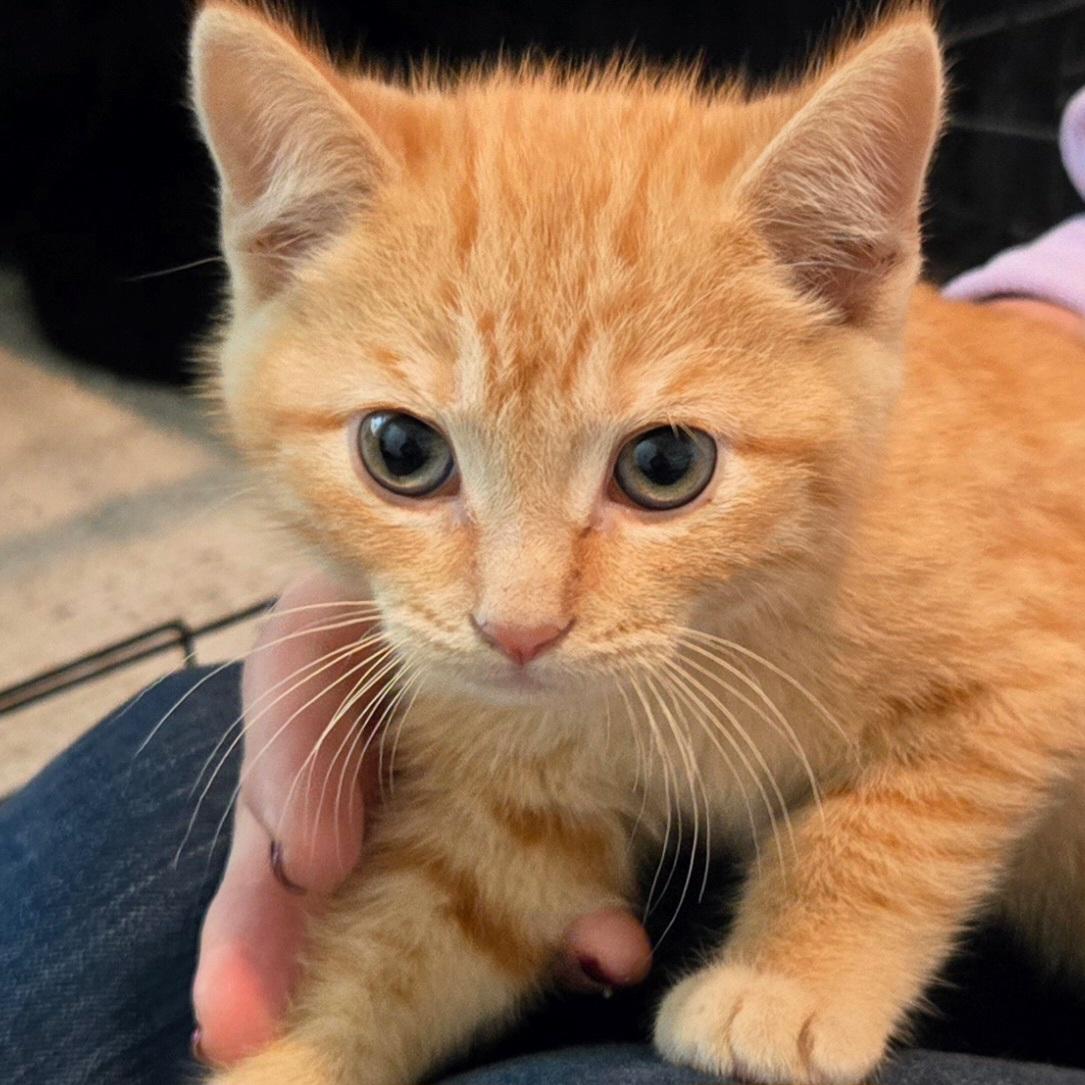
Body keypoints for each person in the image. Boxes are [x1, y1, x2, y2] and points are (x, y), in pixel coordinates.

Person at [3, 89, 1084, 1085]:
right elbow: (488, 852)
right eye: (405, 450)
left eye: (661, 463)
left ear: (835, 277)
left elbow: (1015, 680)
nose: (516, 611)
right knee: (155, 811)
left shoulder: (917, 517)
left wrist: (819, 933)